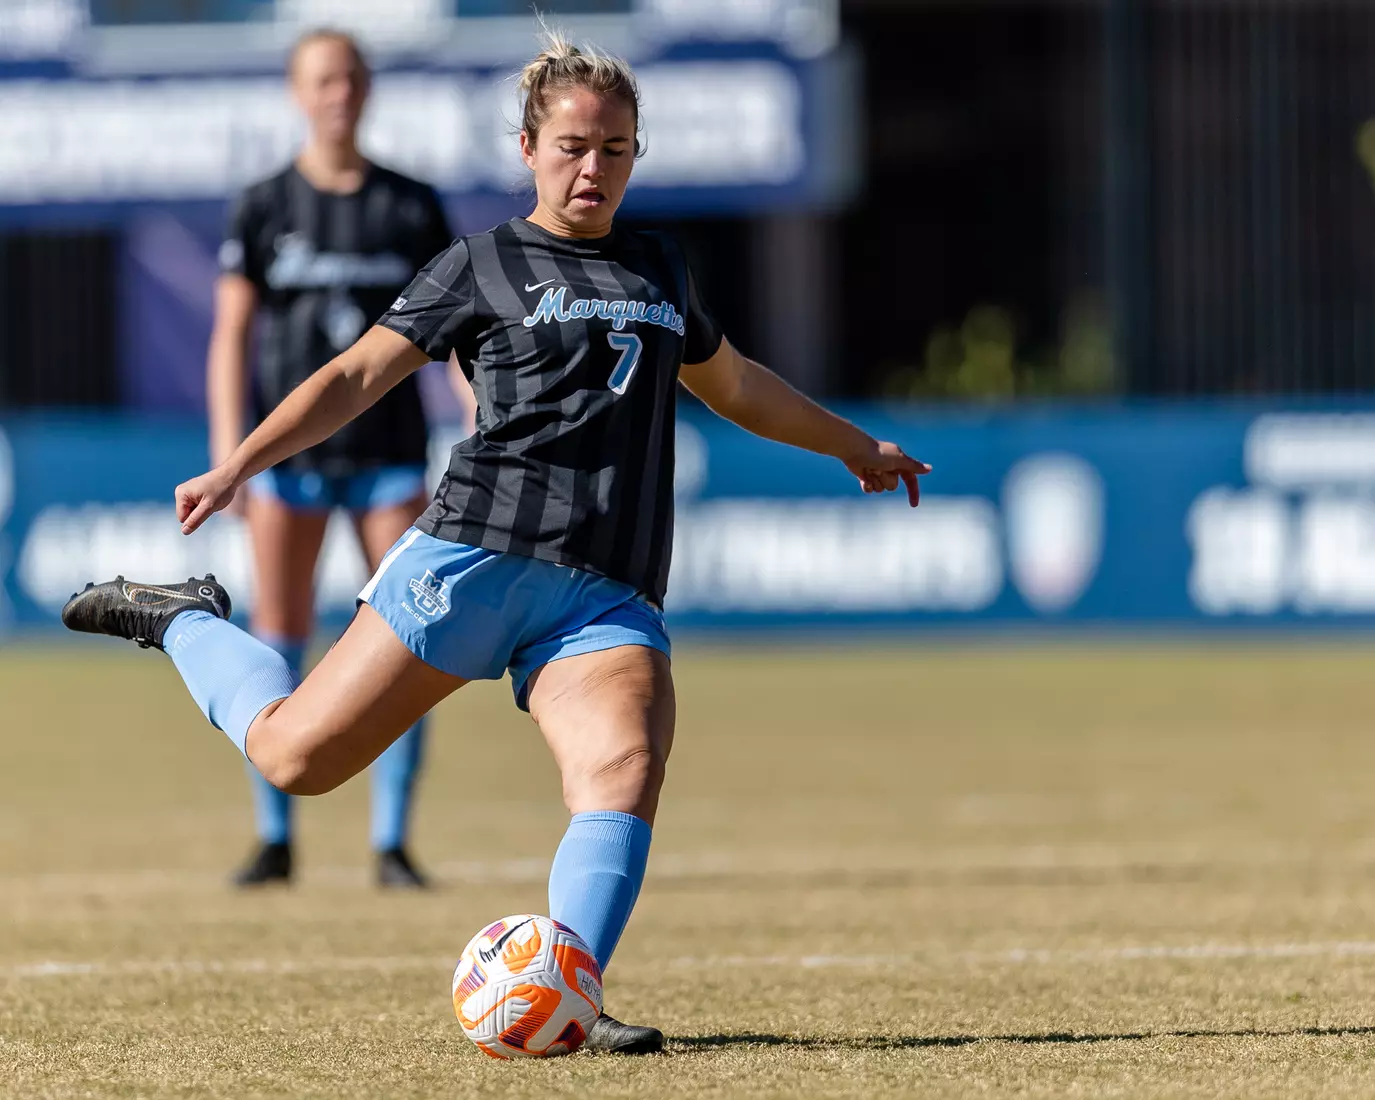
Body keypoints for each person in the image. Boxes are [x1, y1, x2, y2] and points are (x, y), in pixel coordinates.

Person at [62, 30, 929, 1053]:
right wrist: (239, 462)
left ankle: (574, 993)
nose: (592, 165)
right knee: (294, 757)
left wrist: (852, 446)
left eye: (614, 147)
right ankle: (188, 623)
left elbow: (733, 383)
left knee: (623, 767)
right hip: (469, 560)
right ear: (528, 146)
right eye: (571, 144)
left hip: (602, 589)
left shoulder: (660, 266)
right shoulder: (481, 263)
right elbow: (352, 377)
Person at [208, 29, 455, 888]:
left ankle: (391, 842)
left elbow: (453, 333)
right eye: (322, 79)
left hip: (388, 451)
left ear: (367, 89)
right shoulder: (264, 204)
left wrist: (474, 415)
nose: (337, 93)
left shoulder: (412, 204)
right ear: (296, 91)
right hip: (290, 461)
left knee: (407, 633)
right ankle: (275, 839)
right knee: (279, 632)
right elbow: (232, 334)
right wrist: (229, 452)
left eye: (350, 77)